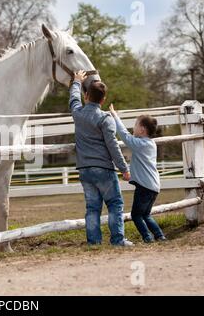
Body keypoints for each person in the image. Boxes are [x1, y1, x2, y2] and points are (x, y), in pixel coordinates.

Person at [70, 71, 133, 247]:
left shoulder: (78, 113)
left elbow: (73, 100)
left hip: (84, 169)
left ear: (86, 96)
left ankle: (94, 242)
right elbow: (113, 146)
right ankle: (118, 240)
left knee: (92, 207)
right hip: (104, 168)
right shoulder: (105, 118)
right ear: (103, 100)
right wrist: (124, 168)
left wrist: (76, 82)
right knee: (114, 203)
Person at [109, 104, 167, 243]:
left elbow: (124, 136)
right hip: (153, 186)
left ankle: (147, 237)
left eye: (135, 125)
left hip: (145, 187)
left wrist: (114, 116)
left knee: (136, 215)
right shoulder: (150, 143)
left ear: (142, 130)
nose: (133, 127)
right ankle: (159, 236)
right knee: (146, 215)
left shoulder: (141, 144)